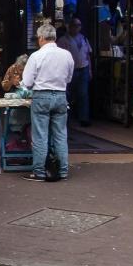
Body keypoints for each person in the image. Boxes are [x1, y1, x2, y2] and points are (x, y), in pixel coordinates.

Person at [21, 22, 75, 182]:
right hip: (60, 96)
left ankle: (39, 172)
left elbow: (28, 81)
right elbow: (69, 78)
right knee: (60, 134)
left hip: (41, 96)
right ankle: (63, 170)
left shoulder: (36, 56)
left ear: (42, 38)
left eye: (38, 38)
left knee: (40, 136)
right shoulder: (67, 55)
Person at [68, 18, 93, 126]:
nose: (77, 27)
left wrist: (90, 70)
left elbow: (88, 55)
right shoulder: (64, 40)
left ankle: (84, 118)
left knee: (83, 94)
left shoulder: (84, 38)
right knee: (68, 94)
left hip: (83, 68)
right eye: (75, 25)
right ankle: (67, 118)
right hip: (71, 70)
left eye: (79, 25)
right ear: (70, 26)